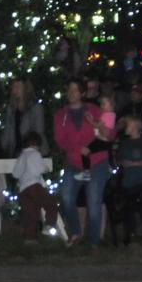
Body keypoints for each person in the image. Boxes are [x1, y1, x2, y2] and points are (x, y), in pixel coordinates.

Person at [53, 78, 111, 247]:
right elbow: (60, 139)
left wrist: (92, 147)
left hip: (96, 162)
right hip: (74, 162)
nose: (72, 93)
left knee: (93, 202)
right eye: (69, 90)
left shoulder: (94, 111)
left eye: (75, 90)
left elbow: (107, 134)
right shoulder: (61, 115)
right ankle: (76, 232)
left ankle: (94, 241)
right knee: (66, 197)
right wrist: (77, 149)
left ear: (83, 93)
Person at [12, 131, 59, 241]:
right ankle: (49, 226)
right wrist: (46, 168)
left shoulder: (22, 156)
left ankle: (30, 238)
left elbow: (16, 174)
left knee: (31, 213)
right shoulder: (35, 154)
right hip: (34, 186)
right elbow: (38, 170)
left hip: (23, 189)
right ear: (36, 144)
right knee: (51, 204)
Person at [0, 77, 46, 158]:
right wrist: (0, 150)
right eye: (14, 87)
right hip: (16, 153)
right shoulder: (11, 109)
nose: (15, 90)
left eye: (18, 87)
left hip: (33, 153)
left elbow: (39, 131)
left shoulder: (35, 107)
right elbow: (7, 133)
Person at [79, 94, 117, 181]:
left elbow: (96, 125)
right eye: (101, 104)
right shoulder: (112, 115)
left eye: (104, 104)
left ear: (111, 105)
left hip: (102, 141)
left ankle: (86, 173)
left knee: (85, 151)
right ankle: (111, 167)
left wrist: (89, 119)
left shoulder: (106, 115)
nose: (102, 106)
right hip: (104, 141)